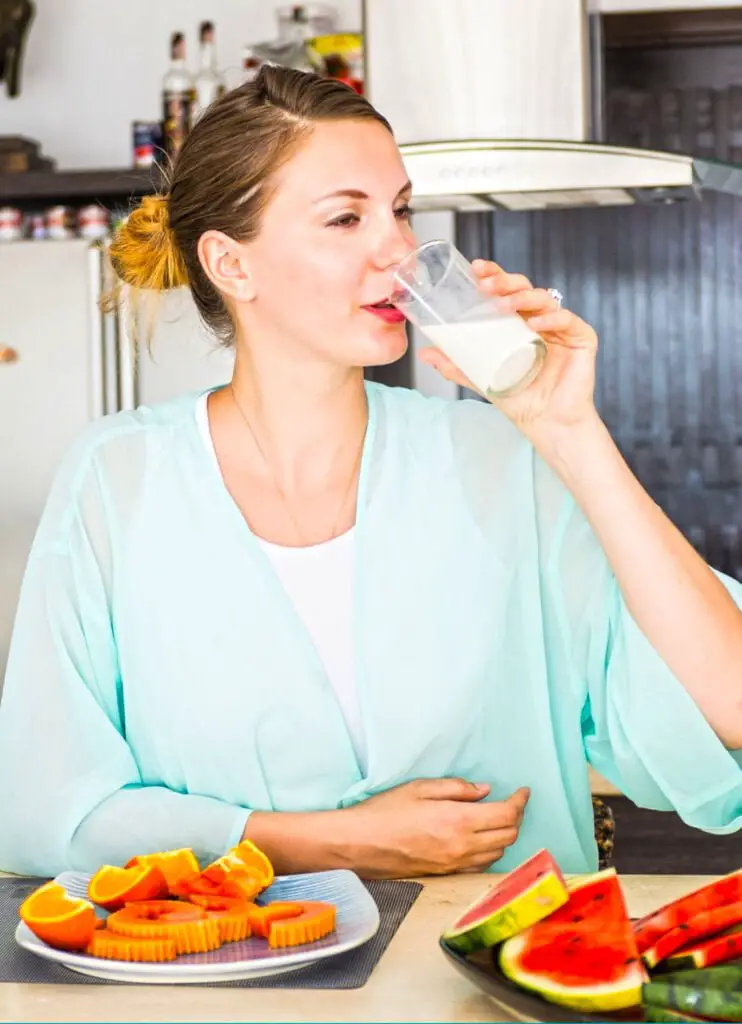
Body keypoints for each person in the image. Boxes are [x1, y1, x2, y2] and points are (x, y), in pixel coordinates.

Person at [0, 66, 740, 880]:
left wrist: (570, 431)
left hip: (481, 990)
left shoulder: (497, 460)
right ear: (232, 265)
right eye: (346, 218)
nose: (400, 252)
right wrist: (334, 840)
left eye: (400, 210)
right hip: (223, 995)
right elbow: (48, 810)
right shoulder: (116, 481)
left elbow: (728, 707)